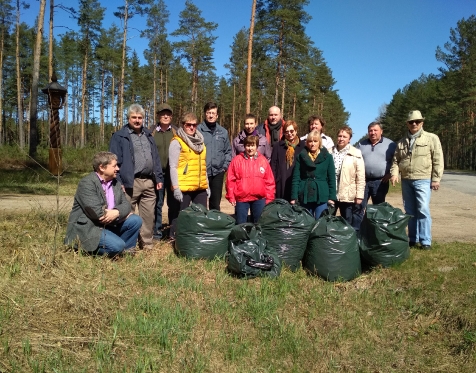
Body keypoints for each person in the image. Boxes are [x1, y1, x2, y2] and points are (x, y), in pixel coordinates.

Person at [64, 152, 142, 257]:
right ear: (102, 167)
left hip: (108, 225)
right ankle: (83, 249)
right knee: (117, 246)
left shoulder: (115, 183)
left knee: (135, 220)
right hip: (90, 228)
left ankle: (125, 253)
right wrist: (120, 214)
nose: (118, 169)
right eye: (114, 166)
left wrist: (117, 212)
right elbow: (98, 213)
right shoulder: (87, 183)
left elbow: (126, 205)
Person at [109, 104, 163, 250]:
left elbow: (155, 158)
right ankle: (128, 245)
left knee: (148, 215)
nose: (137, 120)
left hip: (149, 181)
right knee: (127, 214)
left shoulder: (148, 135)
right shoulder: (120, 136)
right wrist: (118, 180)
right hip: (129, 182)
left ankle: (146, 244)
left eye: (140, 118)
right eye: (134, 117)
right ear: (128, 118)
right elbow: (114, 160)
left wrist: (158, 178)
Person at [390, 110, 444, 250]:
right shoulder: (402, 142)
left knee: (423, 209)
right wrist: (395, 174)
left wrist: (436, 178)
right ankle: (412, 239)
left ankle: (425, 241)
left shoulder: (431, 138)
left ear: (422, 123)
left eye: (417, 121)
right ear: (407, 124)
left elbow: (438, 159)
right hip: (406, 180)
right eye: (411, 122)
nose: (414, 124)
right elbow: (396, 160)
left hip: (423, 179)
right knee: (409, 211)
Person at [169, 112, 209, 239]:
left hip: (200, 186)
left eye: (194, 125)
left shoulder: (201, 143)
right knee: (180, 215)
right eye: (188, 125)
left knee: (201, 215)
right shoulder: (177, 142)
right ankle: (174, 238)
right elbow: (173, 167)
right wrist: (175, 187)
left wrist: (206, 185)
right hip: (183, 186)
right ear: (183, 125)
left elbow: (203, 166)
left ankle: (197, 239)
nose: (191, 127)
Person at [226, 135, 275, 224]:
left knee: (259, 223)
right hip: (242, 198)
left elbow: (269, 182)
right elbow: (230, 180)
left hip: (259, 198)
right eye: (248, 146)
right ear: (244, 146)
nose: (250, 148)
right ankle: (242, 238)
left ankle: (256, 238)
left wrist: (269, 198)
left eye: (252, 145)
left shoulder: (263, 161)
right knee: (241, 224)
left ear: (257, 146)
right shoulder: (237, 160)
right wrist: (231, 196)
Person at [291, 131, 336, 219]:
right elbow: (296, 178)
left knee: (321, 223)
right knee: (307, 223)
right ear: (307, 143)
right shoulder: (300, 157)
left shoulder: (328, 157)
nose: (312, 144)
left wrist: (332, 197)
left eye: (315, 141)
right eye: (310, 141)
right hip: (305, 194)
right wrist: (294, 197)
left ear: (319, 142)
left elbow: (331, 178)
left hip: (322, 194)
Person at [152, 103, 180, 240]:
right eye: (163, 114)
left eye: (168, 114)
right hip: (157, 174)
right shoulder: (151, 132)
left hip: (173, 174)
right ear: (158, 115)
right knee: (157, 203)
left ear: (171, 116)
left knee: (174, 204)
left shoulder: (177, 132)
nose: (165, 116)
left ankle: (172, 232)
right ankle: (156, 233)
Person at [197, 102, 232, 211]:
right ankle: (201, 225)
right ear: (205, 114)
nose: (211, 115)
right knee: (200, 203)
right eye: (208, 113)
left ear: (217, 115)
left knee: (215, 203)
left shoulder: (223, 132)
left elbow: (228, 151)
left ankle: (214, 225)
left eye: (213, 113)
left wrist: (224, 167)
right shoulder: (198, 130)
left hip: (218, 172)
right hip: (202, 172)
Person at [331, 126, 365, 230]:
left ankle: (348, 244)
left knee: (347, 223)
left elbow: (360, 176)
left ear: (349, 139)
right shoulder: (329, 152)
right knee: (328, 220)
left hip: (347, 194)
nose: (341, 138)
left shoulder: (356, 153)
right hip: (332, 193)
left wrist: (359, 195)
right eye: (339, 136)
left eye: (344, 136)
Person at [356, 121, 396, 209]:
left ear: (381, 131)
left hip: (380, 182)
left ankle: (376, 223)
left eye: (375, 130)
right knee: (359, 207)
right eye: (370, 130)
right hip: (363, 181)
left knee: (378, 209)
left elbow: (397, 161)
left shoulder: (391, 145)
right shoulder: (361, 144)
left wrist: (391, 174)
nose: (373, 133)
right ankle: (360, 223)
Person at [270, 120, 306, 201]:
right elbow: (273, 166)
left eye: (291, 131)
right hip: (281, 183)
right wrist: (275, 182)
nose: (289, 133)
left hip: (297, 183)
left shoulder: (303, 146)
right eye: (286, 131)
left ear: (296, 131)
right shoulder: (278, 146)